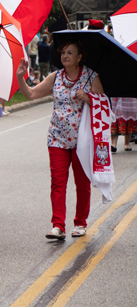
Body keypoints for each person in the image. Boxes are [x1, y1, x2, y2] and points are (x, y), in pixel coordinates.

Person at [16, 40, 104, 240]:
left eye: (70, 52)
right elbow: (30, 93)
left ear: (79, 57)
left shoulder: (91, 76)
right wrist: (21, 77)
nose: (65, 56)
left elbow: (104, 104)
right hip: (57, 138)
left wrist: (89, 97)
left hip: (83, 140)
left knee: (82, 183)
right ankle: (58, 225)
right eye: (63, 52)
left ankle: (80, 223)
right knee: (58, 182)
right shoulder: (55, 77)